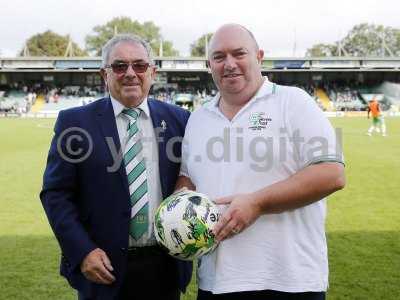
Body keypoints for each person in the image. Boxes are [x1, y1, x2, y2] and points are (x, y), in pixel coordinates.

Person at [176, 24, 346, 300]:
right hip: (216, 281)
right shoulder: (199, 118)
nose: (229, 64)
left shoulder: (293, 102)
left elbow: (331, 174)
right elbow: (188, 177)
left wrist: (257, 203)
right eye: (219, 57)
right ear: (210, 65)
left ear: (259, 56)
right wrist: (179, 200)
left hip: (288, 280)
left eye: (238, 53)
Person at [40, 34, 192, 300]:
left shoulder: (180, 120)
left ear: (153, 72)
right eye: (120, 66)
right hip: (102, 269)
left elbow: (192, 178)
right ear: (105, 74)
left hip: (164, 267)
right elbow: (56, 194)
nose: (130, 73)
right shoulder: (75, 123)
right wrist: (82, 251)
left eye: (140, 65)